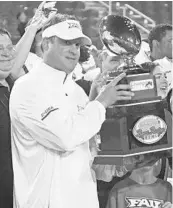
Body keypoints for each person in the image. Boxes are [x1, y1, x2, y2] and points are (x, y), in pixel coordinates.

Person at [9, 13, 134, 208]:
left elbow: (87, 149)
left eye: (77, 44)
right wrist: (101, 102)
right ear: (46, 43)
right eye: (67, 42)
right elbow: (65, 138)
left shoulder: (76, 91)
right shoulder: (28, 87)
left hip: (83, 199)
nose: (74, 50)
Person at [0, 2, 56, 208]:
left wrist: (33, 28)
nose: (7, 53)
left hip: (19, 187)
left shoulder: (13, 87)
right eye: (0, 49)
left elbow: (13, 64)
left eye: (8, 47)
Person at [106, 154, 172, 208]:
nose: (146, 158)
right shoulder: (118, 190)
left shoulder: (167, 188)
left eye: (151, 154)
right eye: (140, 155)